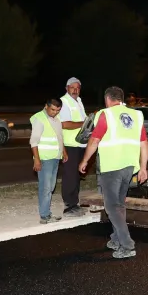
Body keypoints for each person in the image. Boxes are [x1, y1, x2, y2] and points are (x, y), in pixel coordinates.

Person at [78, 86, 148, 259]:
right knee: (119, 204)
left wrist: (85, 160)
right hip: (129, 166)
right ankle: (116, 239)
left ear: (108, 99)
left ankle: (127, 245)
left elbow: (94, 140)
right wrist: (143, 167)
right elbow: (144, 143)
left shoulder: (106, 114)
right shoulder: (135, 115)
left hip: (111, 166)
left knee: (111, 206)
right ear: (121, 99)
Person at [29, 97, 67, 224]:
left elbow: (59, 136)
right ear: (46, 106)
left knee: (50, 186)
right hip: (45, 158)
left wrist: (63, 152)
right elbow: (34, 141)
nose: (55, 112)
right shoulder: (39, 119)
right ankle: (44, 216)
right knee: (45, 188)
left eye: (58, 110)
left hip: (55, 157)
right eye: (53, 109)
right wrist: (37, 160)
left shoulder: (56, 118)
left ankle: (47, 213)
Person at [58, 77, 88, 218]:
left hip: (80, 143)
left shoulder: (79, 101)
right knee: (70, 175)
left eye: (77, 88)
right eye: (72, 87)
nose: (75, 90)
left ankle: (74, 203)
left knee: (76, 175)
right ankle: (69, 206)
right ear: (67, 88)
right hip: (70, 144)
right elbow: (64, 124)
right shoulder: (64, 102)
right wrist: (83, 124)